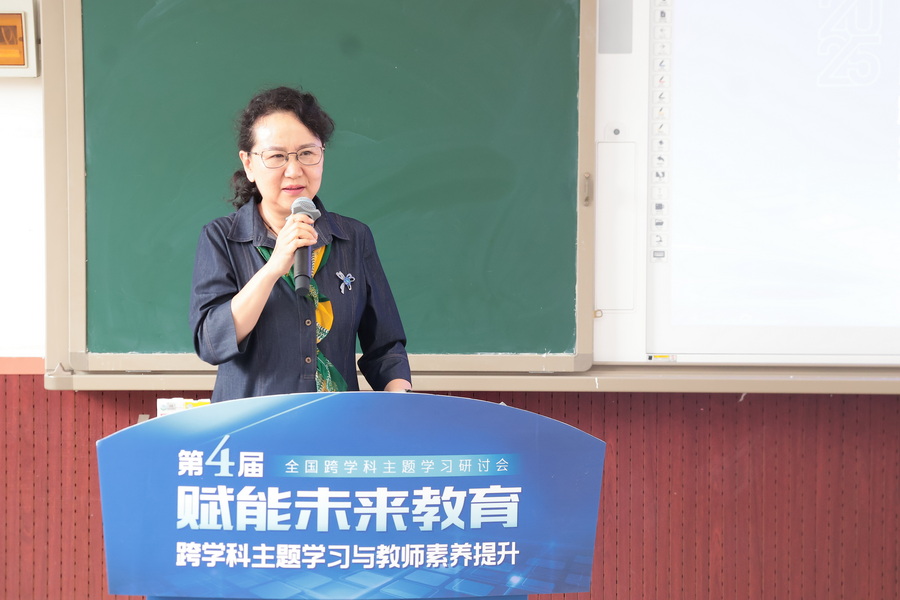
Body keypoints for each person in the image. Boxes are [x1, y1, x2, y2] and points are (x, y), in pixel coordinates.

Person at [190, 86, 412, 402]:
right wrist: (273, 268)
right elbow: (212, 343)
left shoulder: (353, 237)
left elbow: (385, 347)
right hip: (252, 425)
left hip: (334, 422)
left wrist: (401, 396)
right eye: (276, 156)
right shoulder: (221, 238)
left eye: (307, 153)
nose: (294, 171)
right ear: (249, 164)